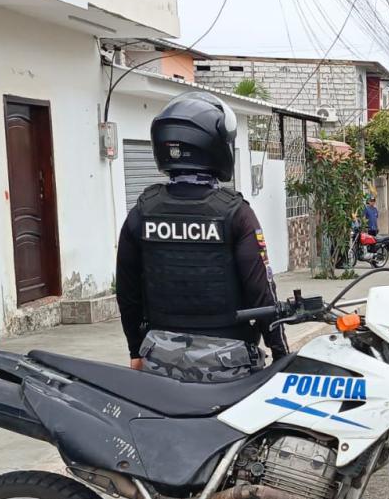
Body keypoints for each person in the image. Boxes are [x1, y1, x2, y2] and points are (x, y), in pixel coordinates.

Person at [115, 91, 287, 382]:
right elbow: (262, 294)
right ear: (216, 145)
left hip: (159, 364)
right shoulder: (236, 213)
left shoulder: (141, 213)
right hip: (229, 368)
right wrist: (280, 353)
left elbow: (127, 293)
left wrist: (136, 350)